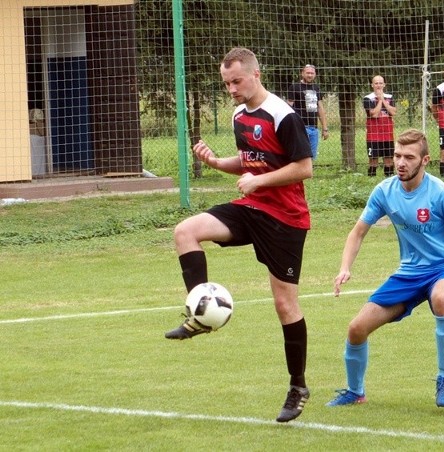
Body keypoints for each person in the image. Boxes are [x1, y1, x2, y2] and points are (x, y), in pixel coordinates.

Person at [164, 47, 313, 423]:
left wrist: (258, 180)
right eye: (226, 83)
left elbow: (304, 168)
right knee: (186, 232)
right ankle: (199, 312)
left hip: (286, 218)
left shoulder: (283, 115)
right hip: (252, 208)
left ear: (255, 74)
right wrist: (216, 162)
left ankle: (298, 386)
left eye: (236, 81)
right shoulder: (239, 114)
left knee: (285, 306)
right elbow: (249, 162)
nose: (230, 88)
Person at [326, 128, 444, 408]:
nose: (400, 163)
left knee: (442, 298)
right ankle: (355, 392)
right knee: (357, 328)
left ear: (425, 160)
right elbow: (358, 232)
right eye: (397, 155)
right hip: (409, 273)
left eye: (409, 157)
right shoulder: (385, 191)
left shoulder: (441, 193)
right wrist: (344, 267)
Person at [287, 64, 329, 160]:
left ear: (315, 75)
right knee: (301, 156)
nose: (310, 75)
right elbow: (288, 107)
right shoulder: (295, 87)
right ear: (302, 73)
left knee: (311, 157)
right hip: (300, 127)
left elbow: (320, 108)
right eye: (307, 73)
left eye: (312, 73)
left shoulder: (316, 88)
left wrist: (325, 128)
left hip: (313, 128)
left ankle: (308, 174)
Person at [363, 75, 397, 177]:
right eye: (376, 83)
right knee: (373, 159)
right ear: (372, 85)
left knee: (388, 158)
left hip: (387, 133)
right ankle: (371, 178)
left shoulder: (390, 97)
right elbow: (374, 114)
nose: (378, 85)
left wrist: (383, 100)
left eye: (380, 83)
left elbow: (393, 112)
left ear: (384, 84)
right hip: (373, 135)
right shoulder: (368, 98)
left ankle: (389, 177)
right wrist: (380, 100)